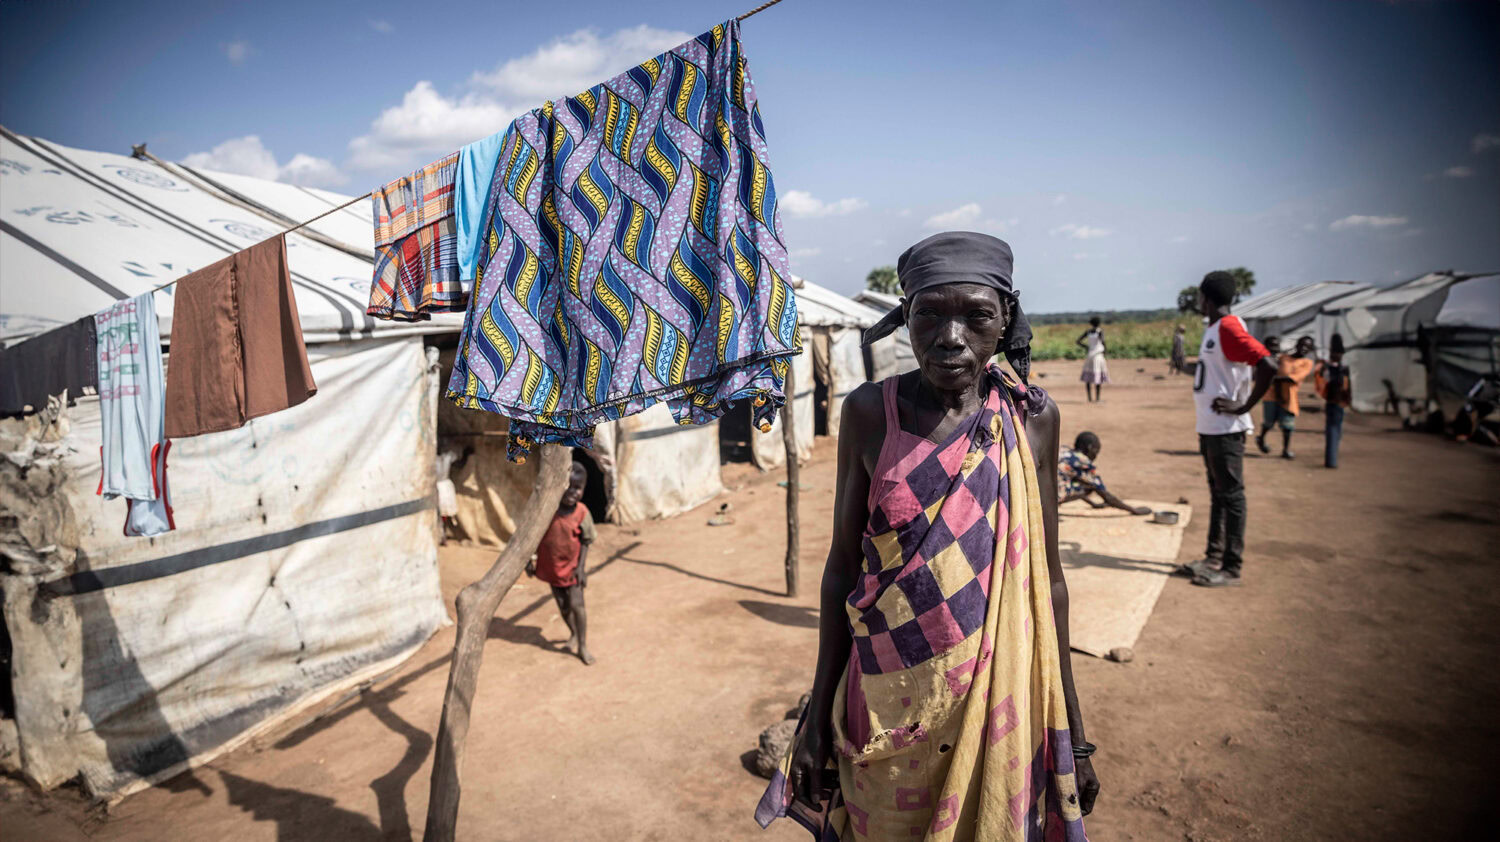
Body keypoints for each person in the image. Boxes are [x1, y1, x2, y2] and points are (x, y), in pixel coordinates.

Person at [756, 232, 1096, 841]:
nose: (950, 337)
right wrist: (815, 713)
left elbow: (1049, 580)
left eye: (976, 315)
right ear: (905, 317)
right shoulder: (868, 413)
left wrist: (1071, 722)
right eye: (929, 314)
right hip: (884, 692)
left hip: (996, 699)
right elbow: (842, 566)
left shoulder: (1030, 420)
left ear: (1006, 319)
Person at [1179, 270, 1276, 589]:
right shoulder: (1215, 328)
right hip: (1211, 428)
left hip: (1226, 429)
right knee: (1219, 494)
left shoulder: (1230, 327)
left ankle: (1231, 568)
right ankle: (1213, 557)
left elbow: (1267, 364)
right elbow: (1214, 373)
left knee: (1231, 496)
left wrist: (1244, 406)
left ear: (1205, 298)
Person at [526, 462, 597, 665]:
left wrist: (581, 568)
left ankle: (582, 645)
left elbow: (586, 541)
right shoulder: (547, 511)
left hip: (573, 569)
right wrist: (529, 561)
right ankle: (573, 633)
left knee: (577, 605)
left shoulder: (582, 513)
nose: (573, 492)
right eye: (569, 487)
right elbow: (532, 536)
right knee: (564, 607)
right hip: (552, 568)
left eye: (578, 488)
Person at [1059, 431, 1152, 515]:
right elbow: (1106, 496)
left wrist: (1093, 504)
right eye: (1096, 451)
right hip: (1050, 499)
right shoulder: (1084, 462)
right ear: (1090, 448)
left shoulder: (1063, 450)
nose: (1095, 456)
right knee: (1090, 487)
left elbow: (1074, 482)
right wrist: (1134, 510)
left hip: (1044, 494)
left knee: (1082, 483)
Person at [1257, 336, 1314, 458]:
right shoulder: (1284, 358)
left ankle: (1285, 450)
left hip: (1289, 397)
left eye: (1307, 347)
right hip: (1272, 395)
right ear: (1297, 344)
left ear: (1310, 349)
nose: (1303, 348)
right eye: (1302, 345)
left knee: (1287, 425)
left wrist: (1272, 380)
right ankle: (1261, 438)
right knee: (1269, 422)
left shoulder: (1306, 363)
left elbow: (1291, 379)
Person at [1314, 333, 1352, 467]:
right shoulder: (1331, 368)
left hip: (1337, 402)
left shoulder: (1339, 368)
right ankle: (1331, 461)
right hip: (1334, 402)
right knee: (1333, 431)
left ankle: (1331, 459)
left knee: (1334, 431)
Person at [1077, 316, 1109, 402]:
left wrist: (1087, 347)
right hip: (1098, 356)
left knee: (1088, 377)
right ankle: (1097, 398)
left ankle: (1089, 398)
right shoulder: (1099, 332)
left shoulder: (1088, 332)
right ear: (1098, 323)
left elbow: (1078, 341)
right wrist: (1105, 351)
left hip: (1090, 355)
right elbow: (1103, 342)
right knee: (1097, 377)